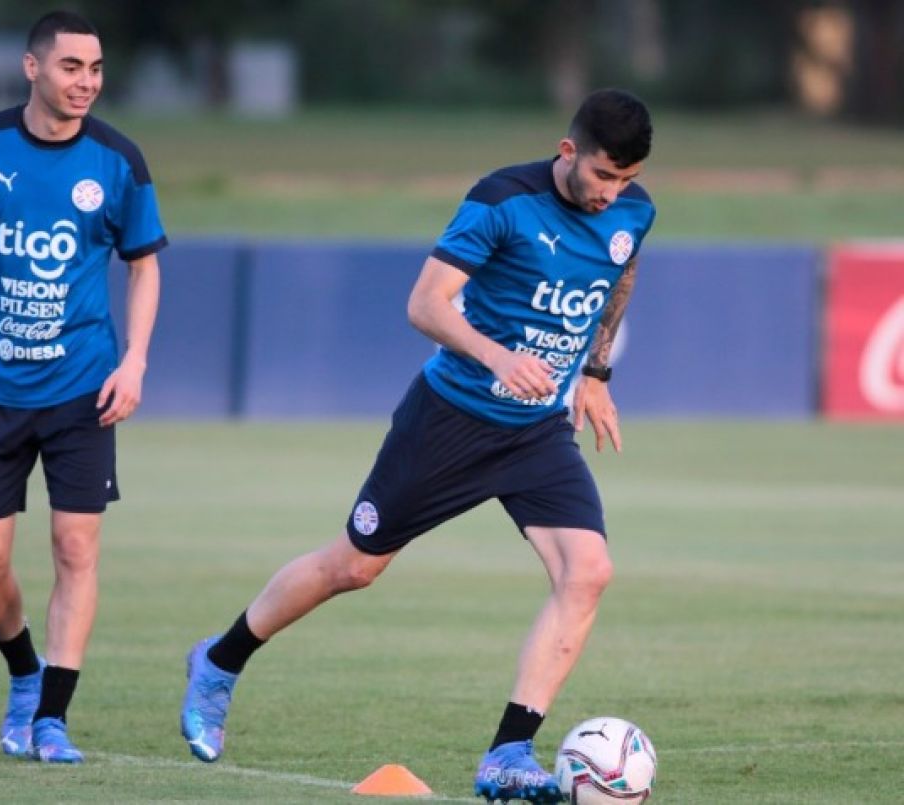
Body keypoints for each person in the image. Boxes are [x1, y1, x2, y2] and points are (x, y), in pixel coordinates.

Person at [180, 88, 655, 803]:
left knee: (587, 571)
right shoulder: (501, 199)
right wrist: (497, 356)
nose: (612, 194)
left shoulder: (632, 210)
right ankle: (219, 660)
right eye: (602, 176)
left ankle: (508, 751)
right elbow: (425, 303)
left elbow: (621, 268)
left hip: (534, 432)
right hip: (450, 418)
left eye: (627, 179)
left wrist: (594, 371)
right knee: (353, 566)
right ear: (568, 152)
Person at [0, 10, 166, 764]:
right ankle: (22, 671)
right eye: (72, 67)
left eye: (97, 69)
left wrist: (136, 358)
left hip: (83, 387)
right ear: (32, 68)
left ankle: (52, 717)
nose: (87, 83)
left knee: (76, 547)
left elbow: (144, 264)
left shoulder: (119, 160)